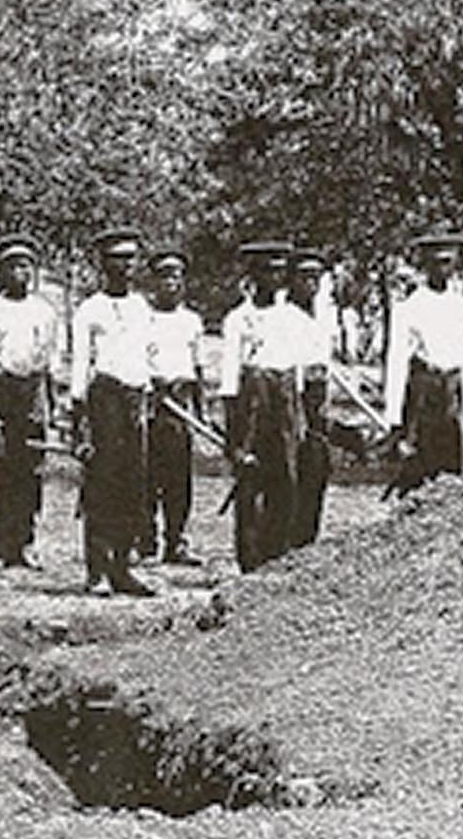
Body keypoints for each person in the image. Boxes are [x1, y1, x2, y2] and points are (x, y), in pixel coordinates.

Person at [69, 227, 156, 597]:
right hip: (103, 399)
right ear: (103, 264)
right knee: (101, 484)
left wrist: (146, 398)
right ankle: (97, 570)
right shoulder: (90, 309)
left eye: (131, 259)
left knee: (132, 485)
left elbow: (146, 357)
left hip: (135, 400)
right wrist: (79, 420)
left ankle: (123, 566)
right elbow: (79, 367)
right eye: (117, 259)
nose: (126, 266)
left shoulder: (141, 307)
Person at [219, 239, 305, 573]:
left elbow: (296, 374)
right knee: (250, 481)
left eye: (281, 271)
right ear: (253, 275)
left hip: (283, 403)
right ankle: (249, 558)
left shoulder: (293, 318)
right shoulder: (239, 319)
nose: (275, 278)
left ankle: (278, 552)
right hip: (251, 404)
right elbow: (229, 379)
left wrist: (298, 419)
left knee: (285, 478)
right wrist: (233, 437)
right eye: (268, 271)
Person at [0, 232, 58, 571]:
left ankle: (25, 542)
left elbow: (50, 364)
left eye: (25, 266)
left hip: (32, 392)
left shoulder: (44, 311)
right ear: (0, 271)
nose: (19, 273)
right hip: (0, 391)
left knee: (30, 470)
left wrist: (49, 408)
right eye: (12, 266)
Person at [382, 229, 463, 496]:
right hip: (423, 395)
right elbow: (397, 361)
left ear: (455, 263)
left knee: (453, 473)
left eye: (447, 262)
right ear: (425, 264)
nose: (441, 269)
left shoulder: (462, 308)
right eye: (435, 262)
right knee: (418, 467)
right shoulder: (410, 307)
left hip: (452, 392)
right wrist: (393, 416)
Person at [138, 247, 206, 566]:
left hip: (180, 405)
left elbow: (198, 370)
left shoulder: (191, 321)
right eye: (164, 276)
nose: (170, 282)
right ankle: (147, 542)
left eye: (176, 276)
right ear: (153, 281)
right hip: (150, 404)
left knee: (179, 480)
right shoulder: (143, 318)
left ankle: (176, 541)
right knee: (148, 476)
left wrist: (199, 412)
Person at [287, 249, 332, 549]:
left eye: (316, 277)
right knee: (289, 472)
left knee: (317, 466)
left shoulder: (323, 316)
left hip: (317, 397)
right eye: (304, 277)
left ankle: (307, 540)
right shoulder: (282, 316)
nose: (311, 284)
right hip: (289, 399)